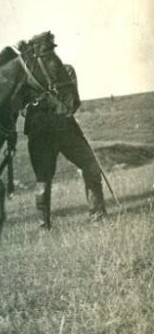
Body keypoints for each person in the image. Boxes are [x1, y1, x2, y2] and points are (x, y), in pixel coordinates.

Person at [24, 64, 107, 228]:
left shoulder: (66, 70)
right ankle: (44, 227)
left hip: (65, 131)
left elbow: (73, 102)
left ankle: (98, 215)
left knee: (91, 166)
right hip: (41, 135)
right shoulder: (26, 77)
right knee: (43, 179)